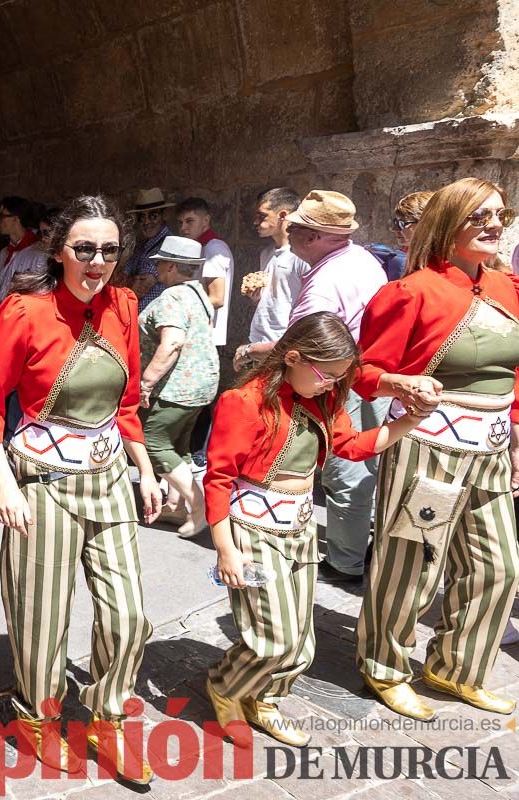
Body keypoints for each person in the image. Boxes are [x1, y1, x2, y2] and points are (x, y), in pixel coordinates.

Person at [0, 195, 162, 781]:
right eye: (85, 249)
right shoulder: (24, 312)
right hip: (41, 485)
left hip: (107, 478)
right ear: (59, 251)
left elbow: (126, 402)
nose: (97, 261)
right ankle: (39, 716)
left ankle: (106, 717)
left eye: (108, 249)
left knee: (129, 615)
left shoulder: (124, 306)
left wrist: (145, 468)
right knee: (41, 617)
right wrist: (3, 483)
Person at [204, 312, 421, 747]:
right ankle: (225, 685)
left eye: (341, 377)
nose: (333, 384)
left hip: (299, 528)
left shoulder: (322, 399)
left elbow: (351, 447)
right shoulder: (242, 402)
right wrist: (226, 549)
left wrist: (408, 422)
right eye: (328, 375)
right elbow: (218, 479)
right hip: (253, 529)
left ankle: (262, 699)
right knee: (273, 636)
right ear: (295, 357)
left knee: (300, 639)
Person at [355, 177, 519, 721]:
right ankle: (385, 665)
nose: (495, 224)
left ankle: (456, 668)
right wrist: (399, 386)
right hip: (431, 448)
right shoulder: (412, 291)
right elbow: (363, 372)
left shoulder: (506, 287)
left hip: (492, 451)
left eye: (501, 213)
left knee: (499, 566)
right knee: (412, 564)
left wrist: (515, 432)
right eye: (480, 217)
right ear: (449, 226)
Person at [243, 190, 390, 585]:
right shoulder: (361, 258)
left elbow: (301, 346)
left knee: (344, 473)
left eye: (294, 229)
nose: (288, 234)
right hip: (364, 375)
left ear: (310, 236)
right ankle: (360, 543)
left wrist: (251, 351)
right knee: (363, 471)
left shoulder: (325, 282)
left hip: (339, 381)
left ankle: (345, 560)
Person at [137, 236, 219, 537]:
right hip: (199, 386)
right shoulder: (198, 293)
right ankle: (177, 504)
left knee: (153, 443)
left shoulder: (172, 298)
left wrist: (145, 383)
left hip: (176, 388)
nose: (156, 267)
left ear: (171, 265)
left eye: (160, 262)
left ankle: (200, 505)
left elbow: (172, 343)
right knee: (179, 446)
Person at [236, 188, 308, 368]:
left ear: (283, 215)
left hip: (282, 345)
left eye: (262, 216)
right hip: (258, 340)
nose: (255, 222)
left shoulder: (301, 256)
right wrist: (256, 297)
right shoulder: (266, 253)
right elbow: (272, 299)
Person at [175, 198, 232, 348]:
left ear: (205, 221)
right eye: (180, 223)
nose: (183, 228)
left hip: (206, 338)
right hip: (199, 335)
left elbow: (217, 299)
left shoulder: (214, 249)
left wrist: (178, 309)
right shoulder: (202, 247)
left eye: (189, 221)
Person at [0, 196, 42, 326]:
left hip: (24, 323)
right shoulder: (4, 252)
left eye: (2, 215)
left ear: (16, 219)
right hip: (2, 321)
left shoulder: (38, 252)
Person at [123, 188, 173, 310]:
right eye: (141, 217)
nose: (146, 222)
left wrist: (129, 281)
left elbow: (140, 287)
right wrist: (130, 280)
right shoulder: (142, 246)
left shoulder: (169, 245)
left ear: (164, 215)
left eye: (153, 216)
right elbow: (121, 276)